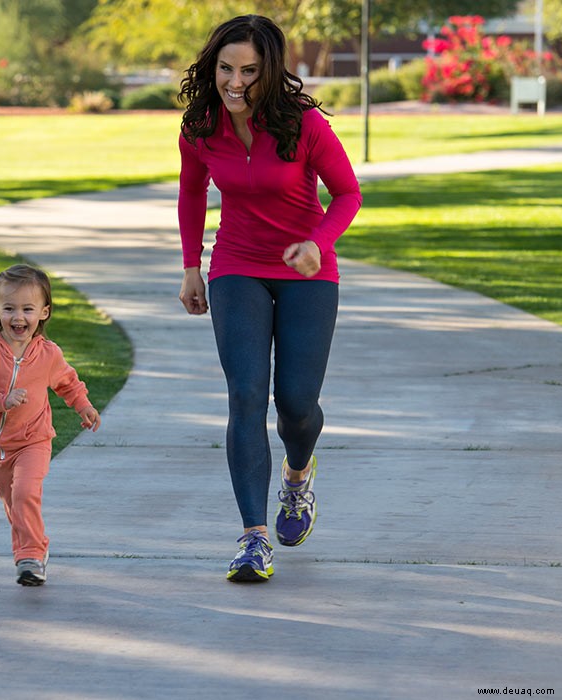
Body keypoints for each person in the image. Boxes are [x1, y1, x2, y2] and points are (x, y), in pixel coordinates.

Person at [176, 15, 362, 582]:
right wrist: (190, 267)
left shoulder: (303, 124)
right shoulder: (201, 125)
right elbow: (190, 195)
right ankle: (253, 537)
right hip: (236, 265)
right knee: (245, 395)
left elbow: (348, 194)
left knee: (297, 405)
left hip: (307, 270)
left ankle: (299, 476)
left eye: (250, 72)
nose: (236, 82)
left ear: (270, 71)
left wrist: (317, 243)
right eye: (226, 68)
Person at [0, 264, 101, 586]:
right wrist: (0, 400)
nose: (18, 317)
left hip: (34, 440)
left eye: (28, 309)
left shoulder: (48, 354)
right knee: (14, 505)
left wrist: (83, 405)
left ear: (44, 312)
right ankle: (34, 548)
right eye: (9, 308)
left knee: (25, 493)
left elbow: (67, 382)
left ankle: (30, 558)